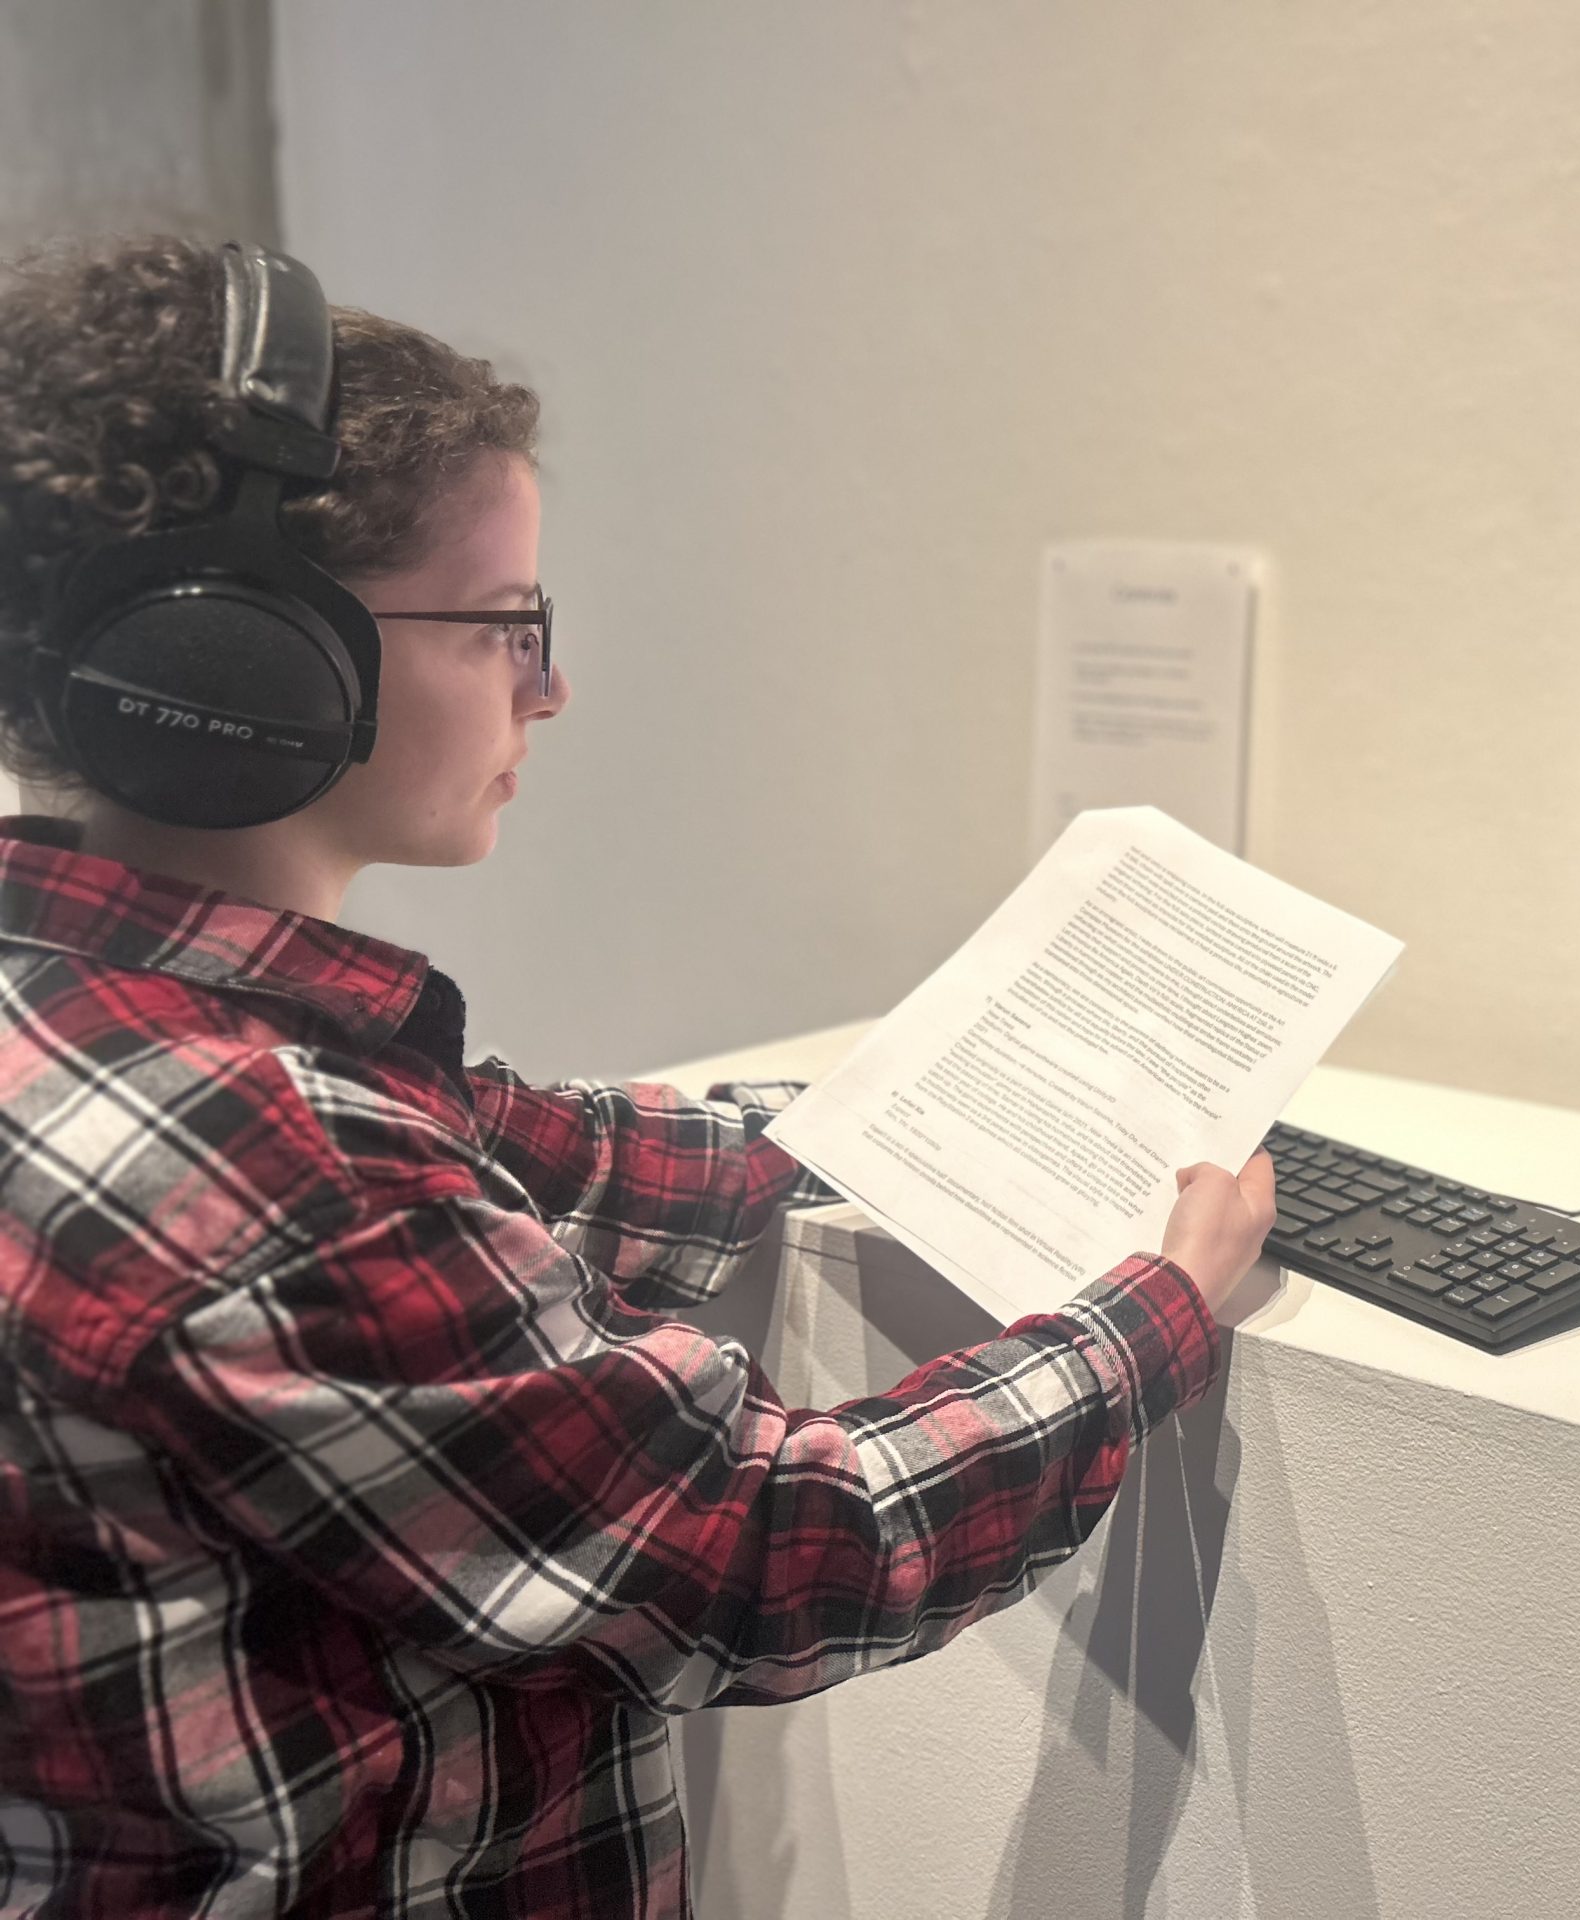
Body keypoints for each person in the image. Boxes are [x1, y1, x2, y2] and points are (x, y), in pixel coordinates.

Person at [0, 237, 1276, 1917]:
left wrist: (864, 1123)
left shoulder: (102, 1010)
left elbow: (505, 1139)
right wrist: (1157, 1317)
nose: (552, 686)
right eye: (504, 626)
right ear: (256, 665)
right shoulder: (273, 1165)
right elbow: (758, 1553)